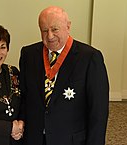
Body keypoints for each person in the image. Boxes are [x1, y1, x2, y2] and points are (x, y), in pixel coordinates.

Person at [19, 6, 109, 145]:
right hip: (35, 138)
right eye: (44, 30)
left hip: (70, 140)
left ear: (68, 26)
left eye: (55, 29)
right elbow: (24, 98)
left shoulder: (90, 57)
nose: (49, 36)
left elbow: (98, 111)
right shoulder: (28, 54)